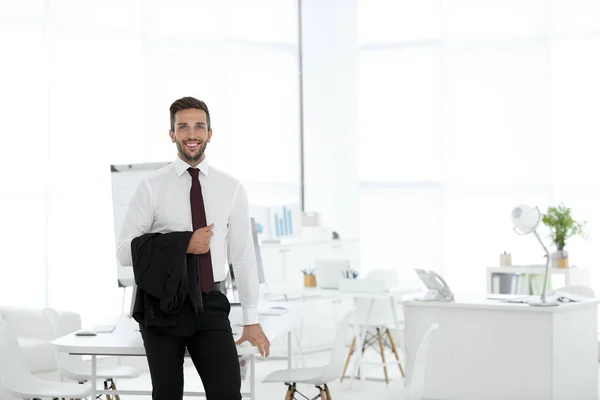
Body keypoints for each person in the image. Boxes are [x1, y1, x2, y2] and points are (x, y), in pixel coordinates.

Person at [117, 96, 269, 399]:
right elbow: (124, 252)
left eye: (199, 127)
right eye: (183, 127)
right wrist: (184, 242)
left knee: (227, 393)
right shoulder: (151, 187)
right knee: (168, 393)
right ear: (172, 134)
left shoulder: (231, 188)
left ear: (209, 134)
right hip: (160, 304)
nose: (191, 134)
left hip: (210, 301)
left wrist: (251, 319)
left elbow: (243, 256)